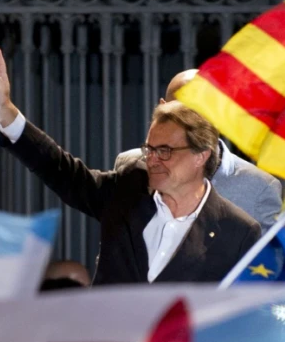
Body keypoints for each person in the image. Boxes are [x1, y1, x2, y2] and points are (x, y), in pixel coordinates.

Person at [0, 43, 260, 285]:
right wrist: (4, 109)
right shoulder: (128, 185)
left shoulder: (238, 230)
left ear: (201, 156)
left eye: (165, 151)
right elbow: (60, 169)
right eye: (150, 148)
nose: (152, 159)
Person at [115, 69, 282, 233]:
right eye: (181, 114)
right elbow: (114, 246)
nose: (192, 126)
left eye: (203, 113)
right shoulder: (130, 165)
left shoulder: (259, 188)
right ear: (162, 109)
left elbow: (269, 259)